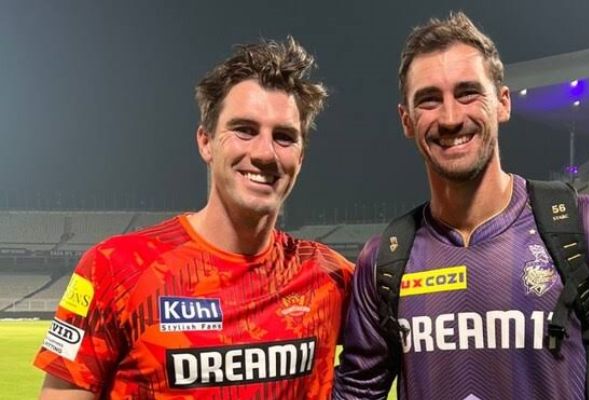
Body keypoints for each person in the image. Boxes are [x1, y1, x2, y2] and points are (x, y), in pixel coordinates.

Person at [333, 11, 589, 400]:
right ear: (406, 120)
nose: (450, 117)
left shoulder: (587, 226)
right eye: (429, 100)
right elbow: (356, 393)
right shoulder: (383, 259)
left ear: (502, 103)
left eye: (467, 93)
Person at [34, 37, 353, 400]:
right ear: (205, 142)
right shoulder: (115, 269)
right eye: (245, 130)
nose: (265, 153)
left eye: (284, 137)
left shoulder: (330, 277)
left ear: (301, 157)